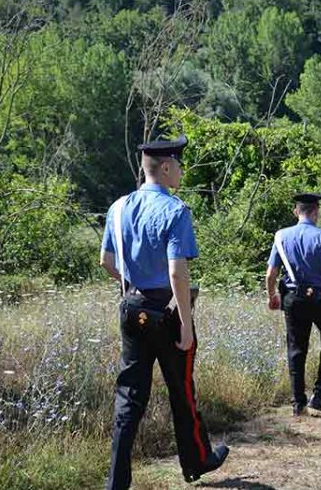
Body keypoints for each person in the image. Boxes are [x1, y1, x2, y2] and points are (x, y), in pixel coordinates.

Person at [99, 134, 228, 489]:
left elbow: (106, 261)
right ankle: (196, 461)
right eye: (180, 165)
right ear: (167, 167)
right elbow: (177, 272)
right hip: (168, 312)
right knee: (181, 390)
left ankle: (116, 484)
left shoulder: (119, 207)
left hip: (132, 307)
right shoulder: (175, 210)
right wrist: (186, 323)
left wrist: (131, 285)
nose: (182, 172)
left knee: (129, 397)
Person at [265, 193, 321, 417]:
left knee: (296, 349)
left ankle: (298, 404)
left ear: (296, 211)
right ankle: (319, 395)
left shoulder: (281, 236)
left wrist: (272, 295)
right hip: (320, 298)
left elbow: (271, 273)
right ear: (315, 211)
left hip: (293, 298)